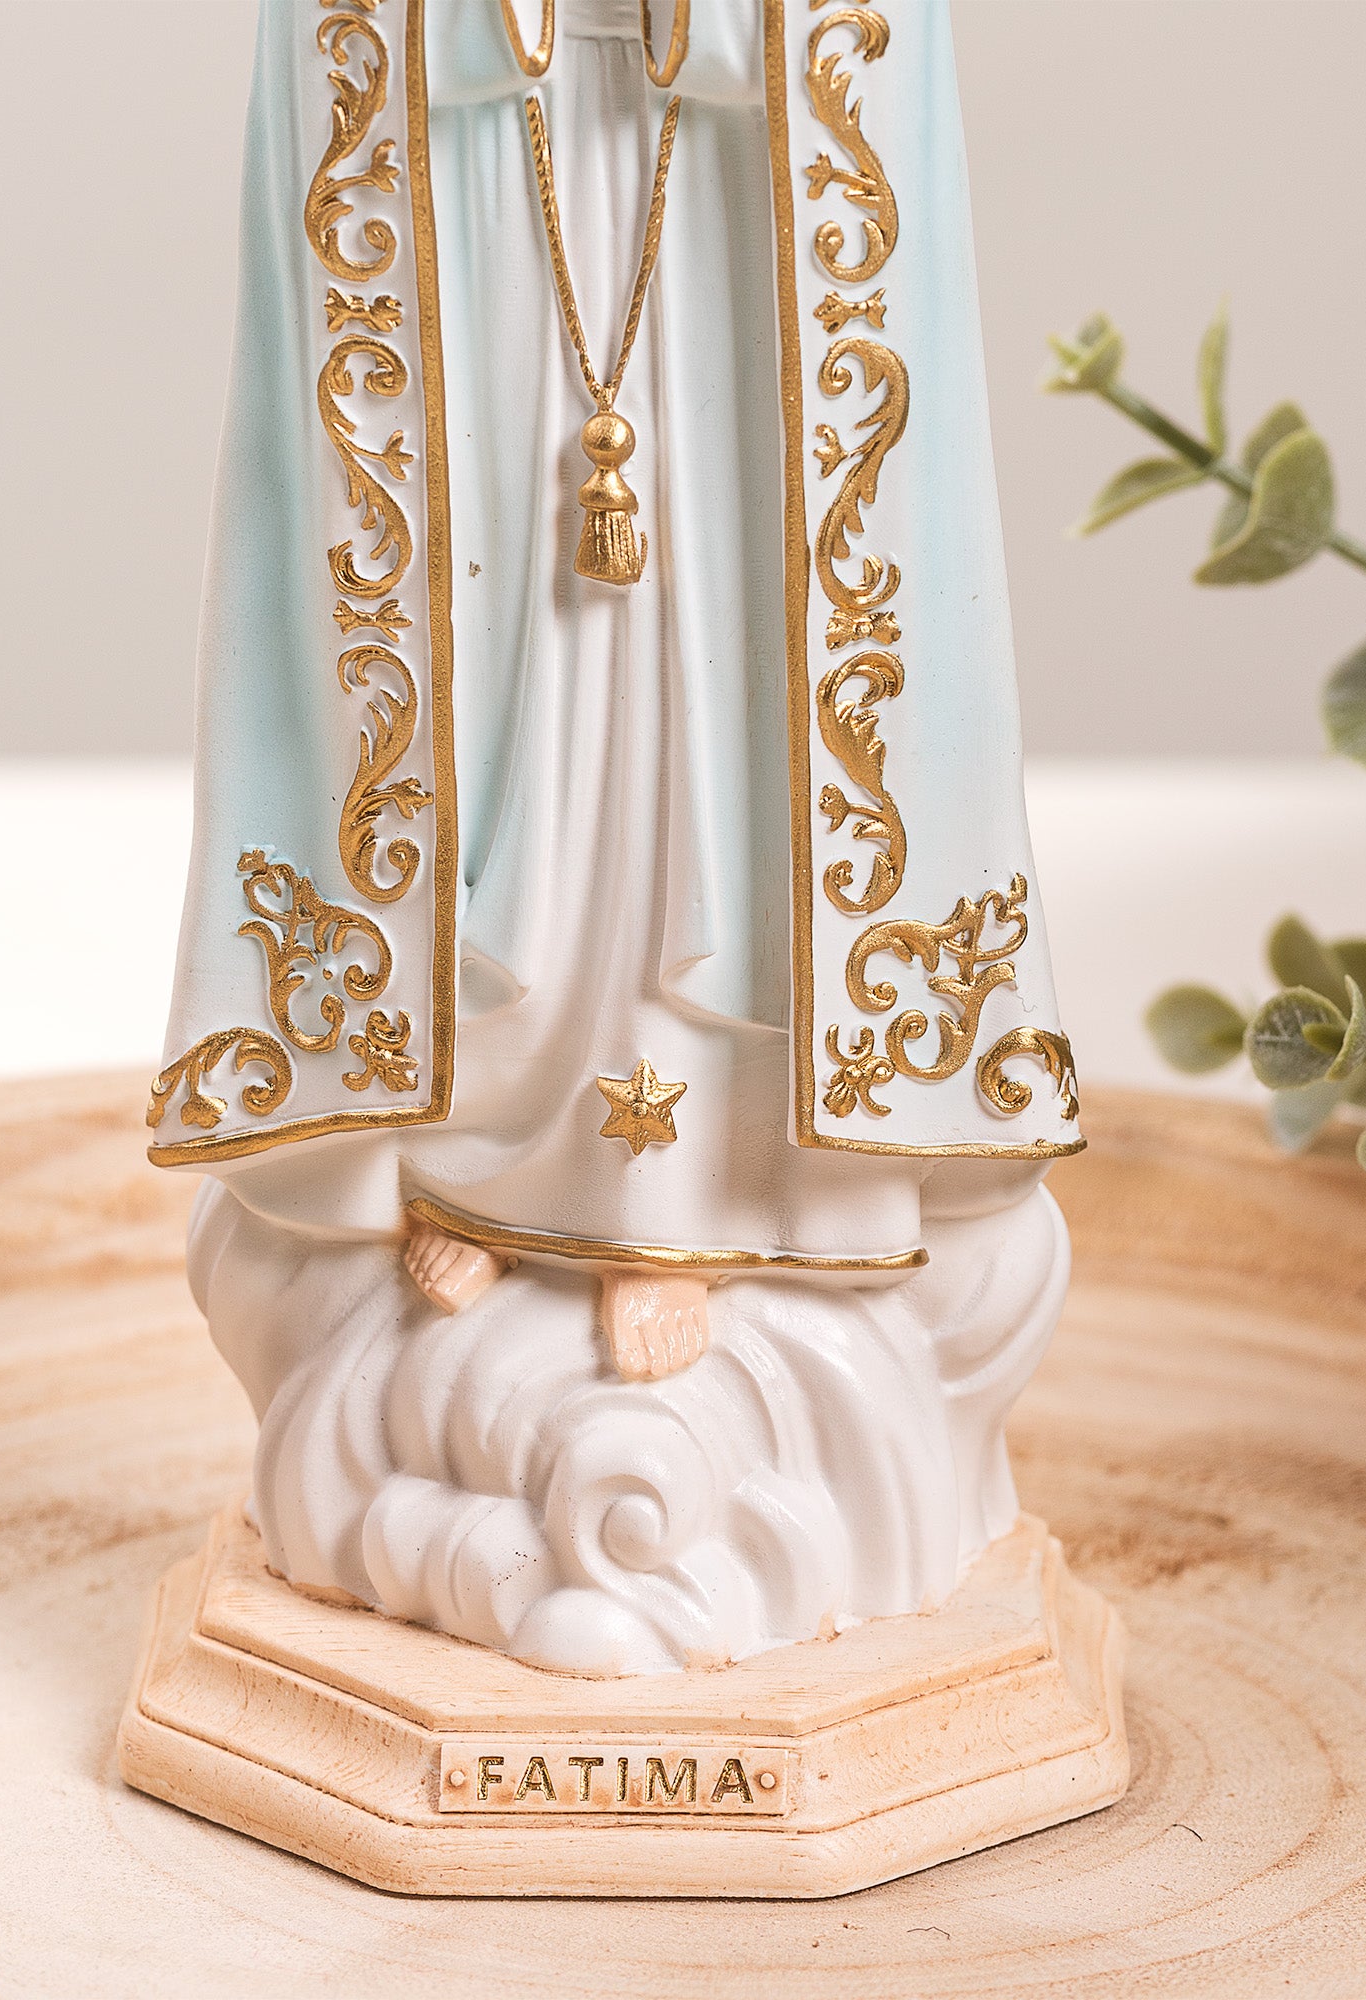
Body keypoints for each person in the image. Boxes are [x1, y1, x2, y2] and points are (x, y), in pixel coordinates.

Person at [149, 0, 1082, 1674]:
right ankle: (468, 1168)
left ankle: (686, 1210)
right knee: (490, 695)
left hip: (725, 248)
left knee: (699, 721)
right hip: (484, 213)